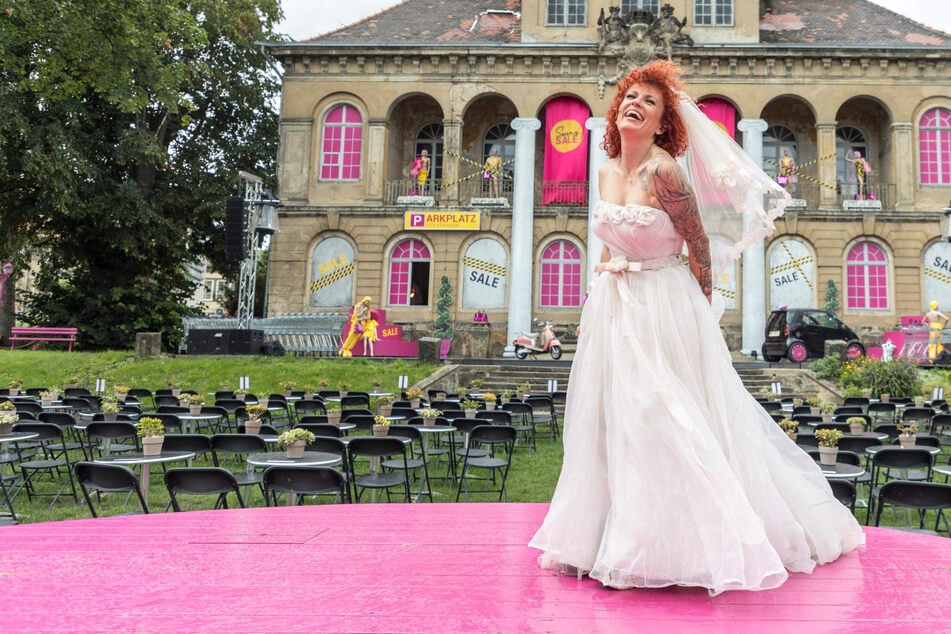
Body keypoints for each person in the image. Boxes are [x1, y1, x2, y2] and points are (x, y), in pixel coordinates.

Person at [528, 60, 864, 596]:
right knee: (611, 417)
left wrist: (699, 314)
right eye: (629, 97)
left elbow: (699, 245)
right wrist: (612, 270)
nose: (634, 104)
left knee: (659, 413)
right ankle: (601, 538)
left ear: (663, 122)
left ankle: (663, 546)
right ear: (617, 110)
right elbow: (612, 237)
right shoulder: (604, 168)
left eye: (649, 101)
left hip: (665, 301)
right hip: (615, 302)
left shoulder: (665, 171)